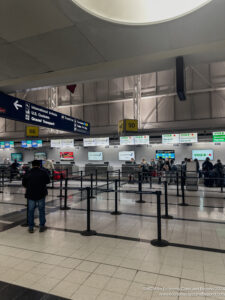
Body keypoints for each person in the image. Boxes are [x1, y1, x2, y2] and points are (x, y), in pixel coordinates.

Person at [22, 160, 50, 233]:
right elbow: (48, 181)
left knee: (31, 211)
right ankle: (42, 226)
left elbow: (24, 183)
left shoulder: (28, 172)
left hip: (31, 194)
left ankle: (31, 227)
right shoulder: (43, 172)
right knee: (41, 210)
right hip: (41, 193)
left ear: (32, 165)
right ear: (39, 165)